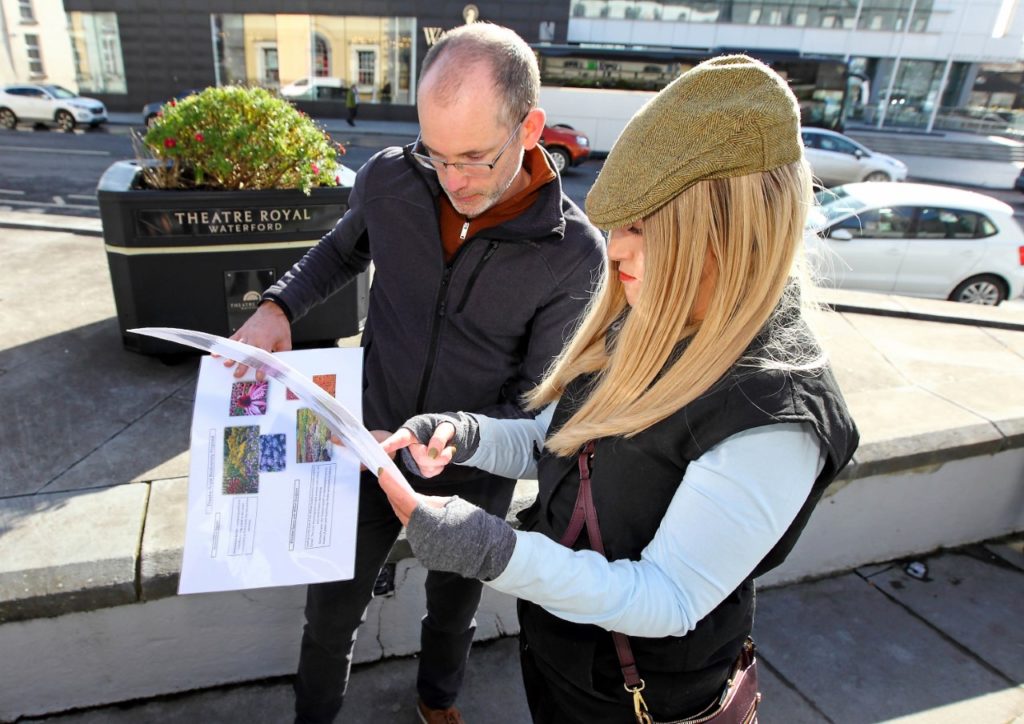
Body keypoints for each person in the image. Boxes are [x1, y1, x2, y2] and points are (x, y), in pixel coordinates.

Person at [376, 55, 860, 723]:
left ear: (719, 229)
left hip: (646, 700)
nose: (615, 249)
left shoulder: (775, 414)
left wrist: (489, 548)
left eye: (640, 227)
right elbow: (570, 441)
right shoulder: (658, 305)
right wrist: (467, 435)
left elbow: (668, 598)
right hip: (562, 659)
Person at [225, 23, 605, 724]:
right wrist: (279, 306)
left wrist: (460, 437)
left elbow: (538, 404)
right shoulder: (393, 179)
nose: (452, 181)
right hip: (365, 445)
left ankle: (437, 703)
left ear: (530, 128)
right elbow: (341, 252)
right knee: (328, 617)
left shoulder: (575, 255)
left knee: (453, 610)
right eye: (436, 154)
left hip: (471, 474)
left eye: (473, 158)